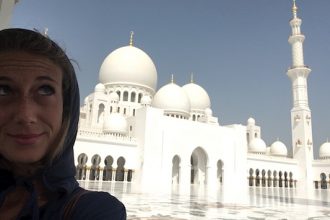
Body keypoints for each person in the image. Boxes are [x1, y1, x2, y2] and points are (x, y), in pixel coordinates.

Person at [0, 28, 126, 219]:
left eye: (45, 90)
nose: (26, 115)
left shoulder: (94, 211)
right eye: (3, 90)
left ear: (67, 110)